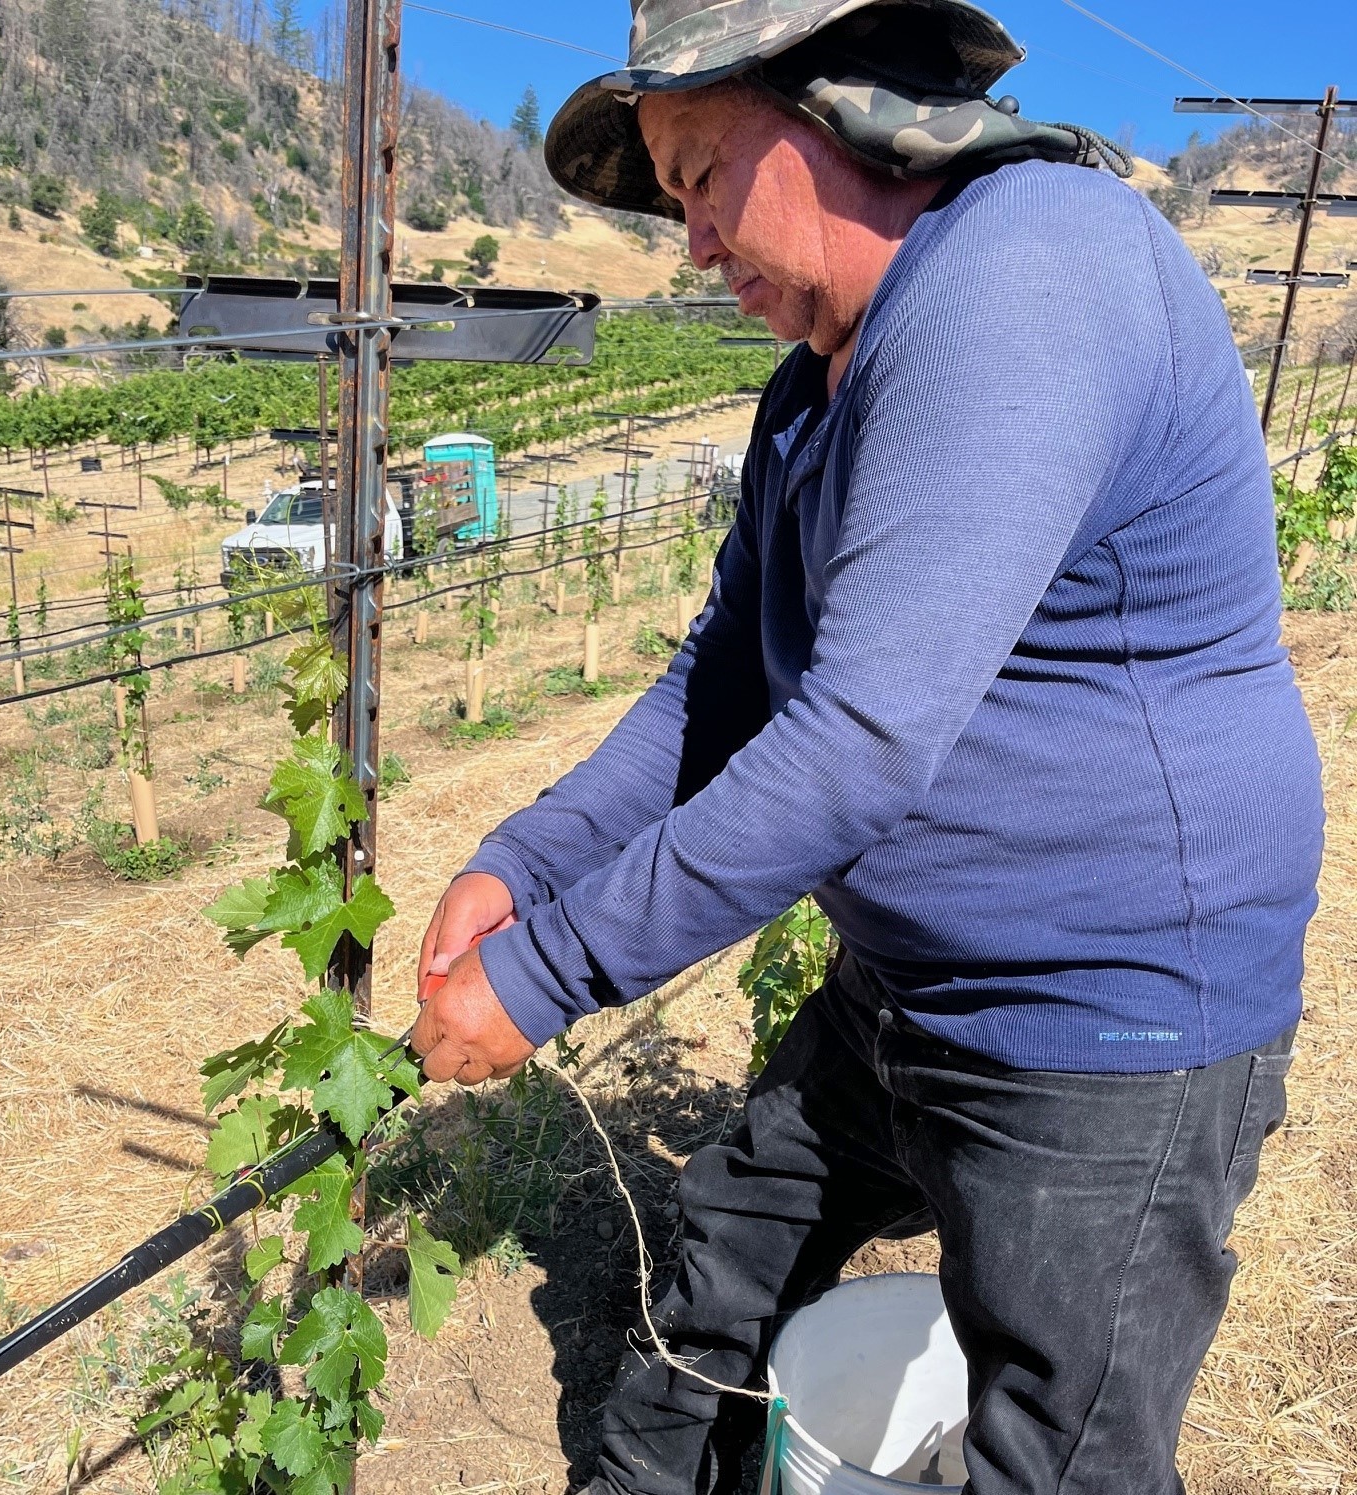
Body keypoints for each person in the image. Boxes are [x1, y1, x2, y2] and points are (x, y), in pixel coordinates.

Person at [407, 2, 1325, 1491]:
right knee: (726, 1261)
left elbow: (860, 742)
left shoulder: (1028, 271)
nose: (692, 242)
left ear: (841, 107)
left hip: (1110, 1015)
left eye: (701, 173)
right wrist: (527, 867)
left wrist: (547, 975)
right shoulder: (811, 397)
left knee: (1057, 1448)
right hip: (905, 988)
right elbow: (722, 693)